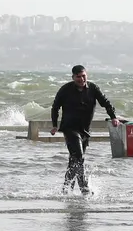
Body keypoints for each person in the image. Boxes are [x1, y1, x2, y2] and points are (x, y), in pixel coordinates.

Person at [50, 65, 119, 193]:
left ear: (86, 75)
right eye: (78, 77)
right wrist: (55, 125)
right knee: (79, 156)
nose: (81, 79)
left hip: (85, 131)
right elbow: (55, 107)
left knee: (74, 161)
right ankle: (84, 189)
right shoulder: (65, 89)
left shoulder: (93, 88)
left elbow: (106, 102)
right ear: (73, 77)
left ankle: (65, 189)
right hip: (70, 129)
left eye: (83, 76)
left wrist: (113, 117)